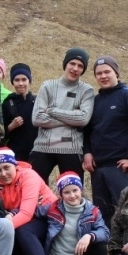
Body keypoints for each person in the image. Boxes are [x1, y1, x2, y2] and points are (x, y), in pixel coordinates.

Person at [83, 56, 128, 227]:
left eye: (107, 72)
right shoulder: (95, 101)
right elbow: (86, 131)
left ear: (116, 73)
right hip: (98, 169)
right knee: (103, 212)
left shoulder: (127, 95)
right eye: (99, 73)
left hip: (120, 166)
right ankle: (109, 249)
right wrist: (87, 152)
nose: (103, 76)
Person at [34, 172, 109, 255]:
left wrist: (90, 236)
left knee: (101, 249)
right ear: (61, 194)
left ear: (81, 190)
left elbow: (105, 232)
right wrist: (11, 214)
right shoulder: (53, 208)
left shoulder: (92, 211)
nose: (72, 195)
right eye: (67, 192)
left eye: (75, 190)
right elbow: (31, 211)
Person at [30, 48, 95, 185]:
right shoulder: (47, 86)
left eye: (80, 66)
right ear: (65, 64)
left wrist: (52, 110)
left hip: (71, 149)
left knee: (74, 193)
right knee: (34, 190)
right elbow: (37, 118)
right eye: (72, 63)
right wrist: (72, 119)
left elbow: (83, 119)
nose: (75, 68)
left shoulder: (86, 90)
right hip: (42, 147)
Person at [1, 63, 38, 163]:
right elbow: (0, 133)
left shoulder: (38, 101)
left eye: (24, 79)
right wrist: (11, 126)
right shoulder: (7, 103)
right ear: (12, 82)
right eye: (17, 80)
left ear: (29, 80)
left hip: (37, 153)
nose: (20, 83)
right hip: (15, 154)